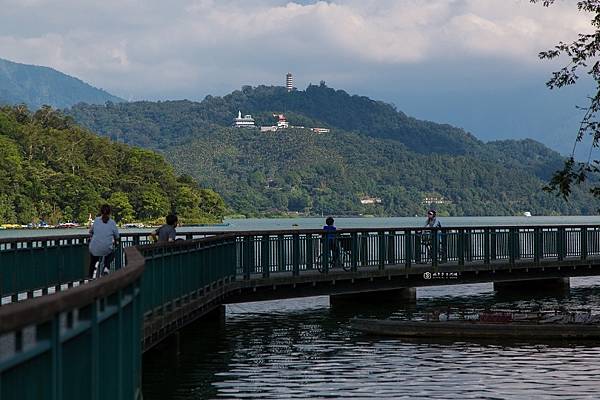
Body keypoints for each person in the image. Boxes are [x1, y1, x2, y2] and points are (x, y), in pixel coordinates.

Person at [88, 204, 119, 278]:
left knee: (93, 261)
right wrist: (116, 242)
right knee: (111, 253)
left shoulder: (96, 220)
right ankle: (106, 267)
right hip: (106, 248)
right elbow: (117, 236)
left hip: (94, 248)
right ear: (110, 212)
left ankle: (90, 277)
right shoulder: (112, 223)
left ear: (100, 212)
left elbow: (90, 231)